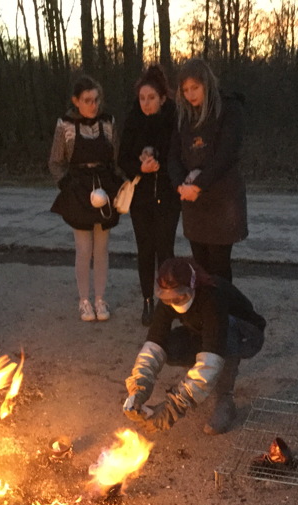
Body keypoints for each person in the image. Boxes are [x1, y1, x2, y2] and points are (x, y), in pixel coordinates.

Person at [122, 257, 266, 435]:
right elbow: (154, 343)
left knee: (223, 340)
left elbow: (212, 358)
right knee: (171, 347)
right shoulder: (170, 295)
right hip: (206, 331)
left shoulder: (211, 297)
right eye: (168, 298)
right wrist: (139, 388)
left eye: (179, 296)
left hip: (246, 335)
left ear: (191, 285)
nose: (174, 302)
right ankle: (199, 383)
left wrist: (174, 406)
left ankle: (224, 399)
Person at [49, 75, 123, 322]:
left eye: (96, 99)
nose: (94, 105)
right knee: (83, 249)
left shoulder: (109, 122)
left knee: (102, 248)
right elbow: (56, 162)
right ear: (76, 101)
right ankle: (84, 301)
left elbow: (117, 158)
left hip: (105, 186)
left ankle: (100, 299)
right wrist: (66, 186)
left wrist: (119, 187)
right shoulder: (66, 126)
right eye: (88, 100)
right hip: (78, 189)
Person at [168, 58, 247, 283]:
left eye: (195, 88)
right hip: (193, 200)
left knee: (219, 265)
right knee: (200, 264)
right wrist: (180, 185)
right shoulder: (183, 115)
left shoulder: (230, 109)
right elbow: (172, 155)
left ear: (206, 84)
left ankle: (224, 314)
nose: (191, 94)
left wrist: (200, 184)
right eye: (185, 90)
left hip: (222, 198)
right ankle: (205, 314)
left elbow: (226, 154)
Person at [118, 65, 182, 326]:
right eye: (142, 98)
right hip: (141, 198)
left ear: (163, 98)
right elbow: (123, 158)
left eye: (151, 98)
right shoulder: (133, 120)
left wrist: (161, 165)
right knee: (145, 249)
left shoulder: (174, 121)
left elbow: (180, 157)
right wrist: (140, 167)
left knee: (165, 250)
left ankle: (168, 301)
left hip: (167, 196)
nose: (146, 103)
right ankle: (148, 302)